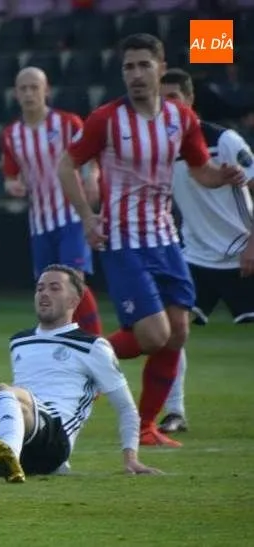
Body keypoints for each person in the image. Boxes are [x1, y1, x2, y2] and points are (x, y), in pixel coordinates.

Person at [57, 33, 248, 447]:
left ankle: (145, 427)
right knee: (153, 336)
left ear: (161, 69)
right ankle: (77, 357)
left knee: (178, 333)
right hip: (125, 242)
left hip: (166, 239)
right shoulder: (107, 119)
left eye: (145, 65)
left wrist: (225, 176)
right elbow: (67, 164)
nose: (137, 74)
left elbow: (201, 171)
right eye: (129, 67)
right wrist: (88, 217)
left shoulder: (181, 118)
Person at [0, 265, 159, 483]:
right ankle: (8, 458)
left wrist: (131, 458)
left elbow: (126, 408)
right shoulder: (20, 341)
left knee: (3, 390)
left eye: (55, 288)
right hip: (23, 432)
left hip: (55, 439)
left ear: (73, 300)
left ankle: (10, 454)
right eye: (40, 288)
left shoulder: (93, 347)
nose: (44, 293)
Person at [155, 68, 254, 434]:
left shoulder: (224, 140)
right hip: (195, 256)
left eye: (173, 98)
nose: (166, 106)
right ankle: (174, 411)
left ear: (189, 99)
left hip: (241, 249)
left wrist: (252, 244)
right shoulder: (162, 148)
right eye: (160, 100)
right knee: (172, 332)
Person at [1, 67, 103, 335]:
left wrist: (92, 175)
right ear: (15, 94)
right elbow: (10, 174)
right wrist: (13, 185)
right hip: (39, 223)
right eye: (23, 88)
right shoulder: (12, 135)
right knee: (48, 289)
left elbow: (90, 157)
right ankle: (62, 344)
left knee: (73, 283)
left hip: (71, 217)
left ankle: (95, 340)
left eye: (34, 87)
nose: (28, 93)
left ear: (46, 90)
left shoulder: (68, 123)